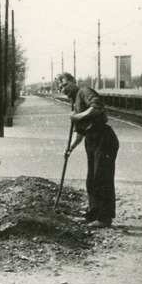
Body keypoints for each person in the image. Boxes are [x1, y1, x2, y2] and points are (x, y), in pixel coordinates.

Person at [58, 72, 119, 228]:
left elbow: (97, 107)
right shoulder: (74, 101)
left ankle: (104, 218)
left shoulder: (84, 91)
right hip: (91, 139)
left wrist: (77, 117)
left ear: (73, 82)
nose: (63, 88)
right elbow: (80, 131)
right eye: (60, 86)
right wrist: (70, 148)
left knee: (101, 177)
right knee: (91, 179)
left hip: (103, 137)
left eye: (65, 84)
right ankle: (93, 215)